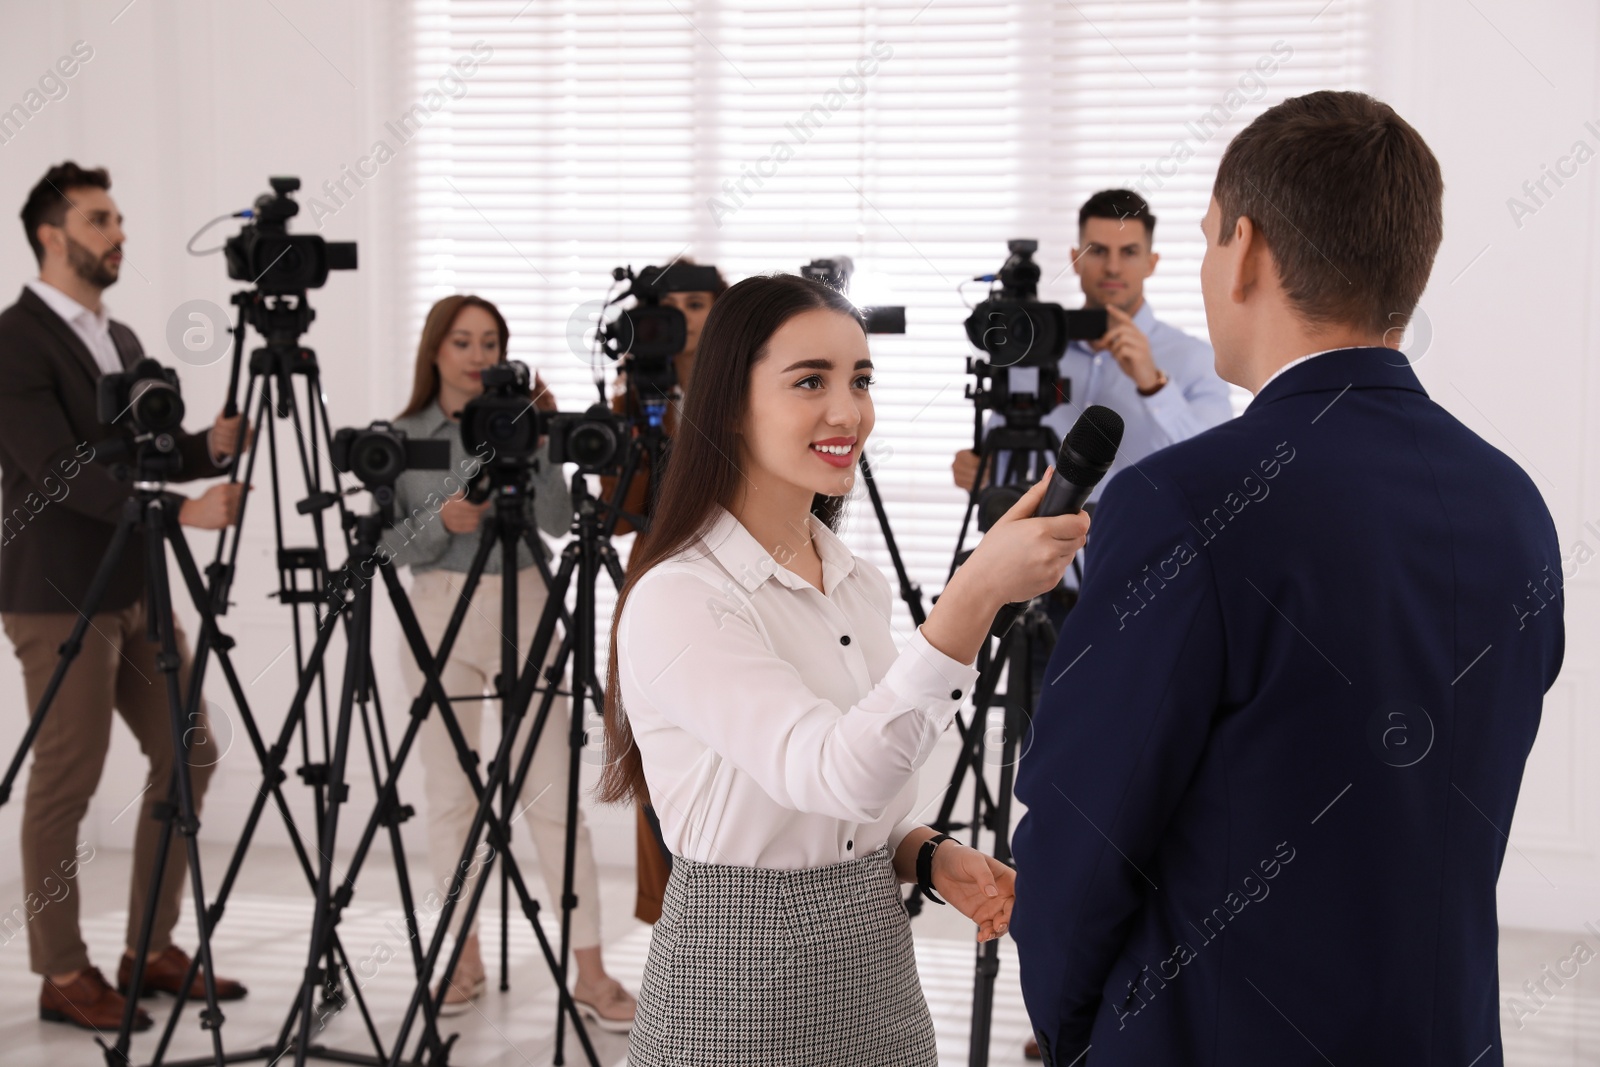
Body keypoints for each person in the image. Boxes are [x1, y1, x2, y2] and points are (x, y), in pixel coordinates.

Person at [1010, 91, 1564, 1066]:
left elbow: (1083, 830)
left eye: (1203, 238)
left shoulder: (1181, 500)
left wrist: (1069, 1027)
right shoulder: (1512, 504)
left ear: (1248, 250)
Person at [601, 273, 1090, 1065]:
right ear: (729, 401)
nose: (847, 411)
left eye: (860, 380)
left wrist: (925, 852)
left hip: (878, 977)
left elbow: (855, 802)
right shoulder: (680, 598)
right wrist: (975, 595)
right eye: (810, 381)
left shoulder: (851, 577)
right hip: (737, 991)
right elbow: (831, 774)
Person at [0, 162, 248, 1032]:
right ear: (50, 234)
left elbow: (137, 453)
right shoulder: (14, 340)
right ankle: (62, 970)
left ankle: (149, 945)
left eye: (118, 219)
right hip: (60, 590)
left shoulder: (122, 334)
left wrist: (203, 449)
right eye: (100, 219)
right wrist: (184, 509)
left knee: (190, 750)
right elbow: (58, 469)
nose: (119, 234)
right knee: (67, 778)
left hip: (136, 580)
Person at [383, 294, 635, 1029]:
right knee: (452, 795)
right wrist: (442, 519)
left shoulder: (526, 426)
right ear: (435, 349)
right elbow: (387, 545)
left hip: (526, 596)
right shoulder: (407, 433)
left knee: (551, 791)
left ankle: (588, 969)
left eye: (489, 341)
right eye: (461, 341)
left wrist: (547, 444)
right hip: (438, 609)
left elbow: (559, 523)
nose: (476, 355)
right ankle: (460, 957)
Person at [952, 188, 1233, 516]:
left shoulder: (1196, 359)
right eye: (1097, 251)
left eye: (1128, 252)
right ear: (1075, 258)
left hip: (1146, 546)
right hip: (1036, 544)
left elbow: (1215, 466)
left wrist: (1154, 385)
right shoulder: (1032, 349)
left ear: (1151, 263)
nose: (1112, 268)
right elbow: (1000, 456)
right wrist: (978, 469)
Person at [600, 258, 727, 925]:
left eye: (698, 302)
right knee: (658, 756)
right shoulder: (635, 397)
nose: (681, 316)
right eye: (669, 303)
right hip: (652, 588)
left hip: (735, 584)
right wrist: (628, 425)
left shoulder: (748, 392)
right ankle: (676, 927)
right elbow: (619, 518)